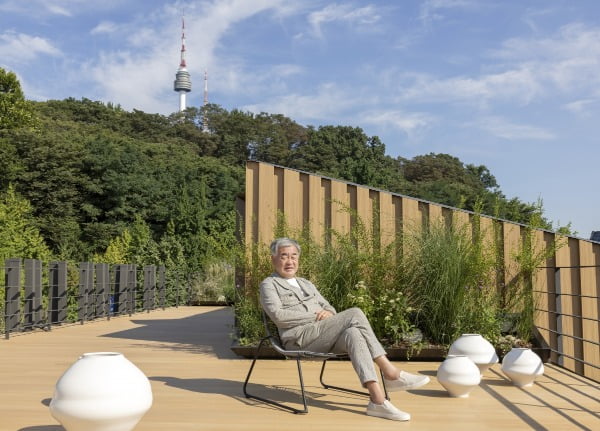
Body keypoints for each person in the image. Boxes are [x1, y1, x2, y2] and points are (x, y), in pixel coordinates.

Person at [260, 237, 430, 421]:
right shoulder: (268, 285)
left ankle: (378, 401)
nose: (290, 261)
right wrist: (317, 316)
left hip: (323, 336)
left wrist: (327, 314)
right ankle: (390, 372)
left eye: (294, 256)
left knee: (353, 333)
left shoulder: (306, 283)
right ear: (273, 259)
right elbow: (278, 316)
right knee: (355, 312)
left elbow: (330, 308)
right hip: (299, 338)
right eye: (284, 256)